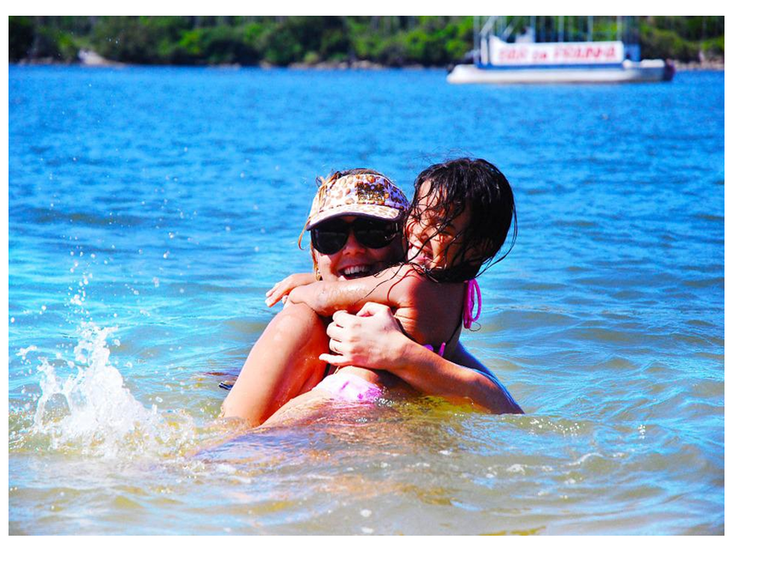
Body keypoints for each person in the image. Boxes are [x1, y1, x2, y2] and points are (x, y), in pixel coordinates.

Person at [222, 160, 523, 427]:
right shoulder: (301, 324)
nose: (352, 248)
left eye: (372, 231)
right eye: (331, 237)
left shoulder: (407, 287)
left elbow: (498, 401)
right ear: (315, 254)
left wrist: (306, 288)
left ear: (399, 237)